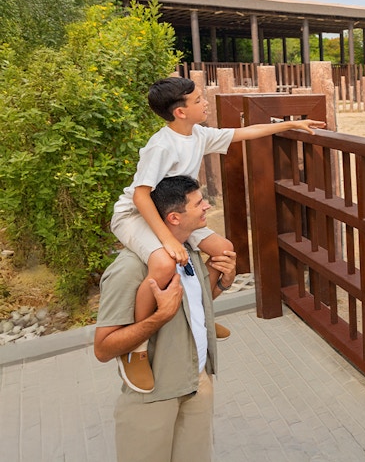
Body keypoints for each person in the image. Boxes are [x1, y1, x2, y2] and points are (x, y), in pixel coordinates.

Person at [110, 76, 325, 392]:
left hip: (178, 215)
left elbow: (243, 133)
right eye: (198, 100)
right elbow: (142, 195)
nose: (204, 102)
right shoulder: (161, 145)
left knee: (224, 249)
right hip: (137, 216)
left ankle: (202, 314)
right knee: (163, 264)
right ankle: (136, 348)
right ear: (180, 112)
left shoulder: (197, 134)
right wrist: (168, 241)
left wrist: (291, 125)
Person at [94, 175, 237, 462]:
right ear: (174, 217)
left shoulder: (191, 253)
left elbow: (191, 307)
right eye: (199, 203)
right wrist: (159, 317)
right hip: (153, 397)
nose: (207, 207)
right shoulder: (130, 270)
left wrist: (221, 283)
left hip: (197, 383)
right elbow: (103, 348)